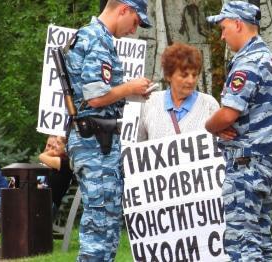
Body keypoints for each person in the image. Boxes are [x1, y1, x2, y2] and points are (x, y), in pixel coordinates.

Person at [64, 0, 152, 260]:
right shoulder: (97, 38)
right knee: (100, 224)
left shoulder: (94, 37)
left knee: (106, 222)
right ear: (123, 8)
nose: (134, 30)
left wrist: (130, 94)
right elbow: (95, 97)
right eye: (135, 21)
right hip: (94, 142)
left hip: (96, 140)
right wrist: (130, 88)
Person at [205, 1, 272, 261]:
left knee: (242, 244)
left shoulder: (248, 62)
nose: (222, 35)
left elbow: (229, 113)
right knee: (260, 242)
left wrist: (210, 126)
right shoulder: (267, 57)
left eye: (224, 27)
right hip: (263, 161)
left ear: (238, 23)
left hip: (246, 164)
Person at [137, 42, 219, 141]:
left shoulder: (209, 105)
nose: (191, 80)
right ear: (168, 75)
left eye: (194, 75)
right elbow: (139, 146)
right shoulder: (150, 102)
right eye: (184, 75)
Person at [39, 136, 73, 217]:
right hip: (43, 202)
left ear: (67, 147)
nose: (54, 145)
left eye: (58, 143)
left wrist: (53, 151)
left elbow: (41, 156)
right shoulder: (62, 160)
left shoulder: (64, 162)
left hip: (49, 206)